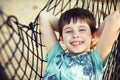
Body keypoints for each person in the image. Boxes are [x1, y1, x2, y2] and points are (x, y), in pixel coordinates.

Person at [39, 8, 120, 80]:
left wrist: (96, 36)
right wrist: (63, 27)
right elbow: (44, 16)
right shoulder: (56, 56)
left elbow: (115, 18)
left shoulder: (95, 60)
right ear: (61, 38)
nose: (75, 35)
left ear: (91, 35)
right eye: (69, 31)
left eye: (82, 30)